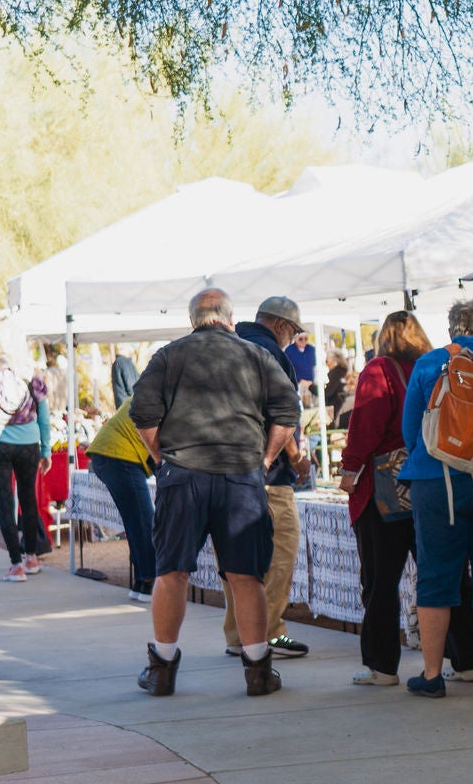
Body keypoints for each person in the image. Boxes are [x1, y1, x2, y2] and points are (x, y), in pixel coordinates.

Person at [129, 288, 301, 698]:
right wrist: (265, 458)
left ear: (193, 320)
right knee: (246, 575)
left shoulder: (169, 355)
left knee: (172, 572)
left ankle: (162, 669)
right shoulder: (255, 355)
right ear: (229, 317)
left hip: (183, 475)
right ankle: (258, 670)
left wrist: (162, 457)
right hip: (241, 475)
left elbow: (142, 411)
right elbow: (288, 411)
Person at [337, 312, 473, 687]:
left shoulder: (379, 370)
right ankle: (470, 659)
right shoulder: (436, 366)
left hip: (385, 489)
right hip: (436, 480)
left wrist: (349, 468)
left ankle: (382, 666)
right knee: (446, 574)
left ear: (383, 338)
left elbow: (365, 425)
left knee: (380, 579)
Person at [399, 298, 473, 697]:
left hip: (437, 481)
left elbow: (410, 432)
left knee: (435, 576)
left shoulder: (427, 364)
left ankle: (432, 675)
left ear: (451, 328)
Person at [221, 297, 314, 661]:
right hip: (268, 477)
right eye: (292, 332)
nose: (292, 339)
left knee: (235, 559)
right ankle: (268, 633)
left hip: (224, 471)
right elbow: (282, 412)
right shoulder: (272, 352)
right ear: (280, 325)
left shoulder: (228, 344)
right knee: (280, 553)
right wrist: (294, 457)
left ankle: (237, 634)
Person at [0, 340, 52, 583]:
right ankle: (32, 557)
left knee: (5, 503)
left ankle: (16, 565)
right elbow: (44, 418)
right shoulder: (32, 378)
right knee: (28, 499)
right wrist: (45, 450)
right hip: (28, 443)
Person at [86, 397, 157, 605]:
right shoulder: (164, 396)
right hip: (120, 457)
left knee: (135, 521)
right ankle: (148, 580)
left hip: (106, 454)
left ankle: (141, 582)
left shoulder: (146, 390)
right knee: (143, 522)